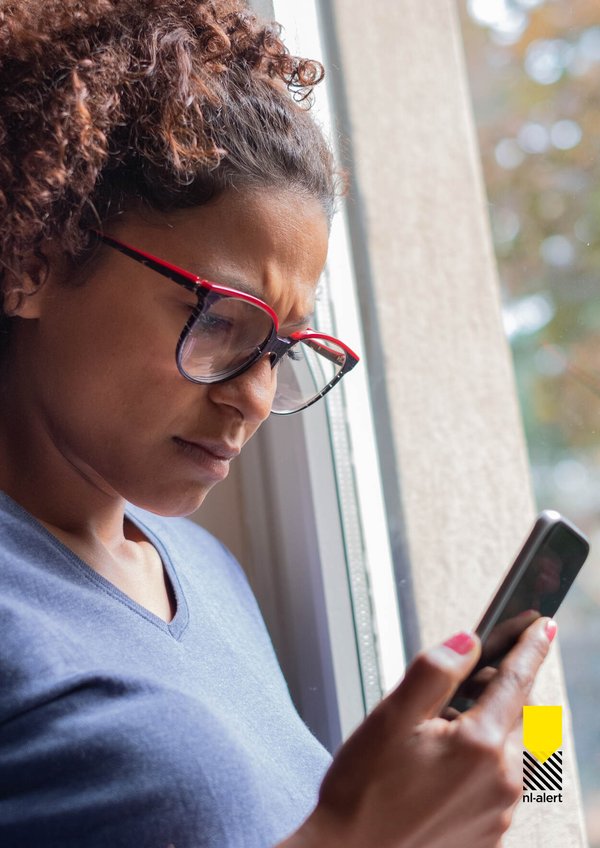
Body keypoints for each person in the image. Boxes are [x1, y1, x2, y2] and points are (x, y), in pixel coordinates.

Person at [0, 2, 556, 846]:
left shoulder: (204, 573)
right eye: (221, 319)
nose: (255, 399)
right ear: (36, 257)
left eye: (283, 349)